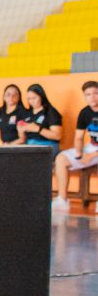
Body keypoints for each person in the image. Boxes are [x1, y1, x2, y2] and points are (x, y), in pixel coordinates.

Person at [53, 80, 98, 211]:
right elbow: (79, 137)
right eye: (88, 94)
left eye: (95, 93)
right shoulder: (84, 112)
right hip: (92, 146)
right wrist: (79, 154)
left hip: (95, 152)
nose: (92, 97)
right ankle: (62, 200)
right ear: (84, 97)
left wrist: (91, 156)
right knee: (61, 158)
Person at [17, 83, 62, 150]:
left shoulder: (50, 112)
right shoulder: (27, 113)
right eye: (29, 99)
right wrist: (21, 130)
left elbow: (57, 136)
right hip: (29, 145)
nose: (31, 101)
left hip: (47, 145)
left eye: (34, 98)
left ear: (41, 97)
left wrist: (38, 129)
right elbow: (22, 139)